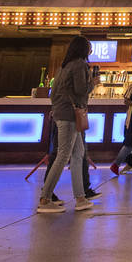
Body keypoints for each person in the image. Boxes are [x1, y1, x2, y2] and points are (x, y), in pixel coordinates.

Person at [38, 36, 98, 214]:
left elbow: (54, 92)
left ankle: (80, 198)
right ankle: (45, 198)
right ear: (83, 49)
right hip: (71, 115)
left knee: (78, 154)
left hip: (62, 113)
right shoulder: (80, 64)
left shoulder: (64, 66)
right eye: (89, 46)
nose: (90, 50)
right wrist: (92, 84)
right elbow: (81, 90)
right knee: (63, 155)